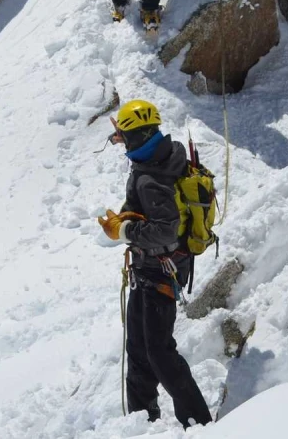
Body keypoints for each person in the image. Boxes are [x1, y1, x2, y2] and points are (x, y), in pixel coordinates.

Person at [98, 99, 212, 428]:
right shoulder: (165, 155)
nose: (124, 143)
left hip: (159, 271)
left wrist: (124, 230)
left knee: (158, 353)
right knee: (139, 350)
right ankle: (141, 423)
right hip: (154, 271)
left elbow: (165, 230)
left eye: (127, 137)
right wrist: (127, 134)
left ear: (141, 138)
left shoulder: (152, 179)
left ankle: (201, 425)